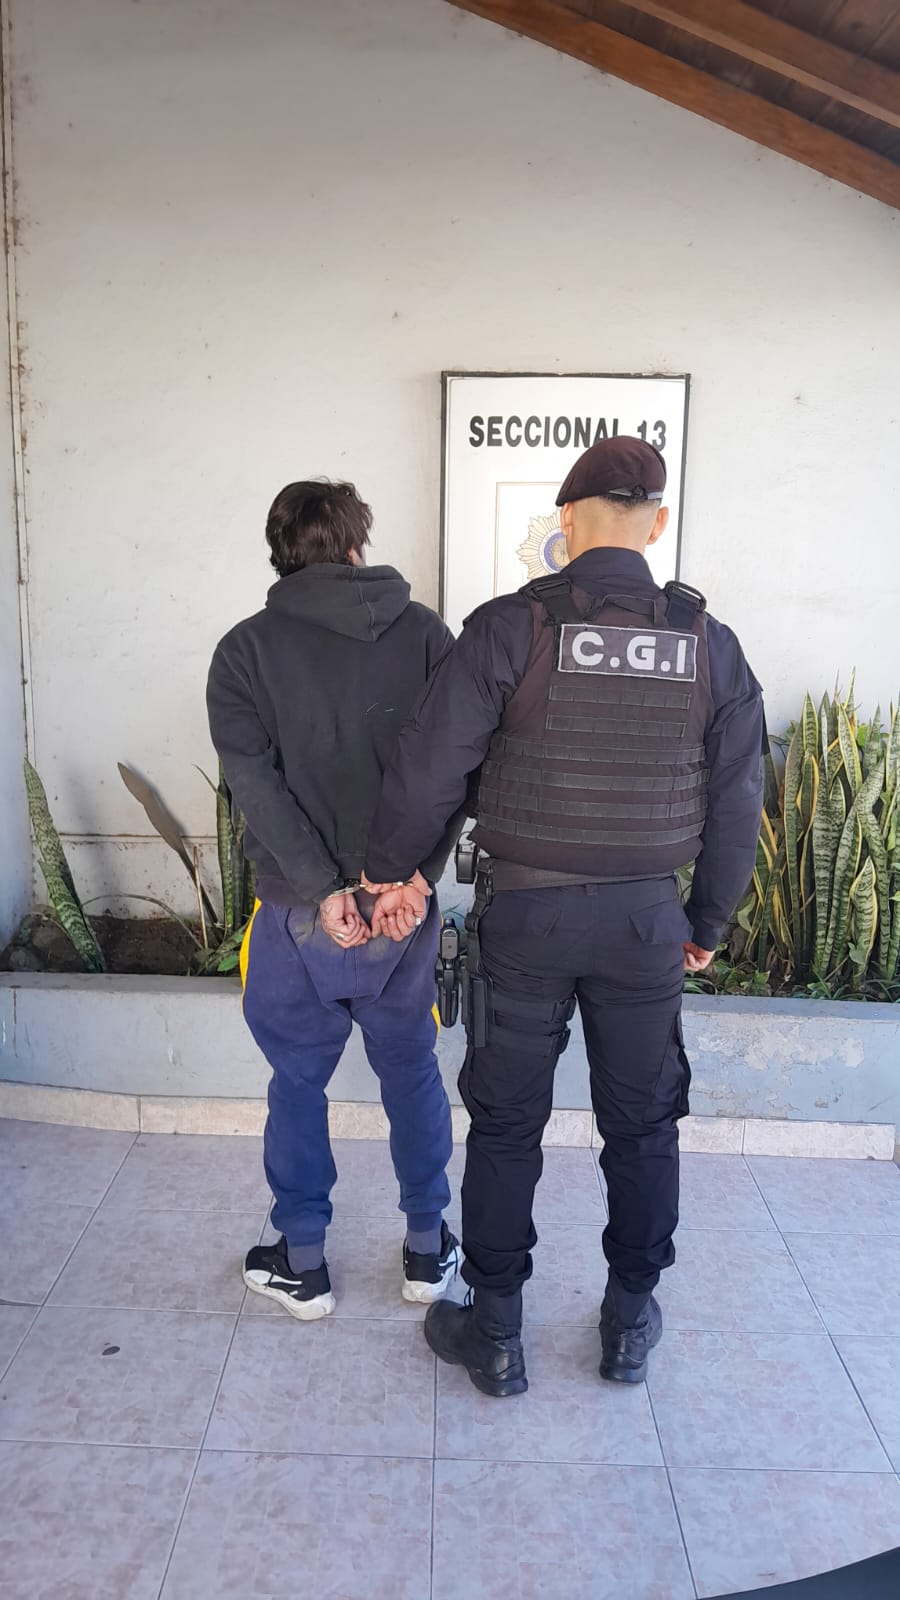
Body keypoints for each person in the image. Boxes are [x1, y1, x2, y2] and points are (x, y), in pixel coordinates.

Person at [364, 437, 765, 1395]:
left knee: (506, 1127)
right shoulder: (709, 644)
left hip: (528, 918)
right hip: (646, 924)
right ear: (655, 525)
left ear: (566, 521)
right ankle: (628, 1323)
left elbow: (430, 767)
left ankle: (496, 1333)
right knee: (644, 1126)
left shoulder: (513, 627)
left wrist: (392, 874)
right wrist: (706, 920)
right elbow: (739, 797)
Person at [207, 479, 460, 1321]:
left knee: (296, 1082)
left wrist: (322, 892)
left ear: (280, 552)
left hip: (294, 914)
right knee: (413, 1072)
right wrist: (413, 877)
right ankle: (426, 1251)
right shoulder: (427, 636)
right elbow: (457, 765)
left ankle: (304, 1263)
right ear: (357, 543)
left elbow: (256, 789)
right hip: (402, 912)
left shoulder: (242, 652)